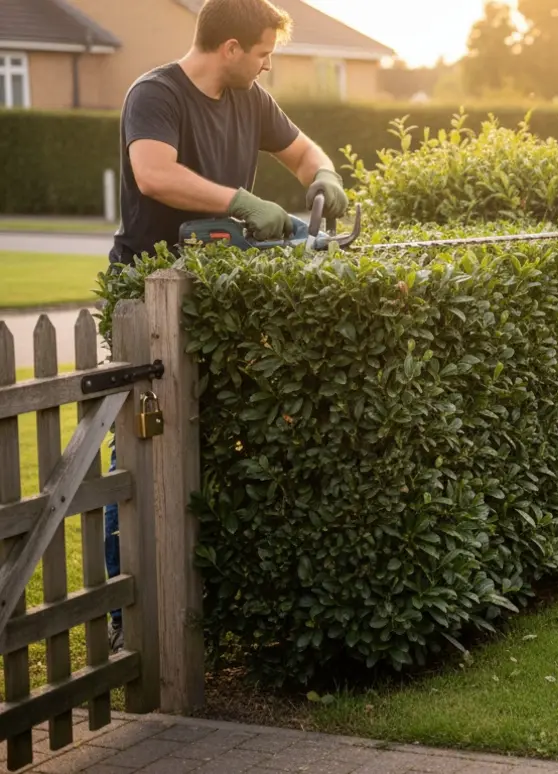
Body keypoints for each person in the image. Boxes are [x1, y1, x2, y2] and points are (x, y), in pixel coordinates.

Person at [103, 0, 349, 650]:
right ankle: (126, 618)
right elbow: (153, 174)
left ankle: (203, 607)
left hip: (215, 294)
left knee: (213, 447)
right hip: (144, 294)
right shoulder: (155, 94)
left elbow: (301, 151)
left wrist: (322, 176)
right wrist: (240, 200)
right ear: (231, 47)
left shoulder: (253, 99)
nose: (269, 62)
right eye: (264, 51)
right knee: (133, 449)